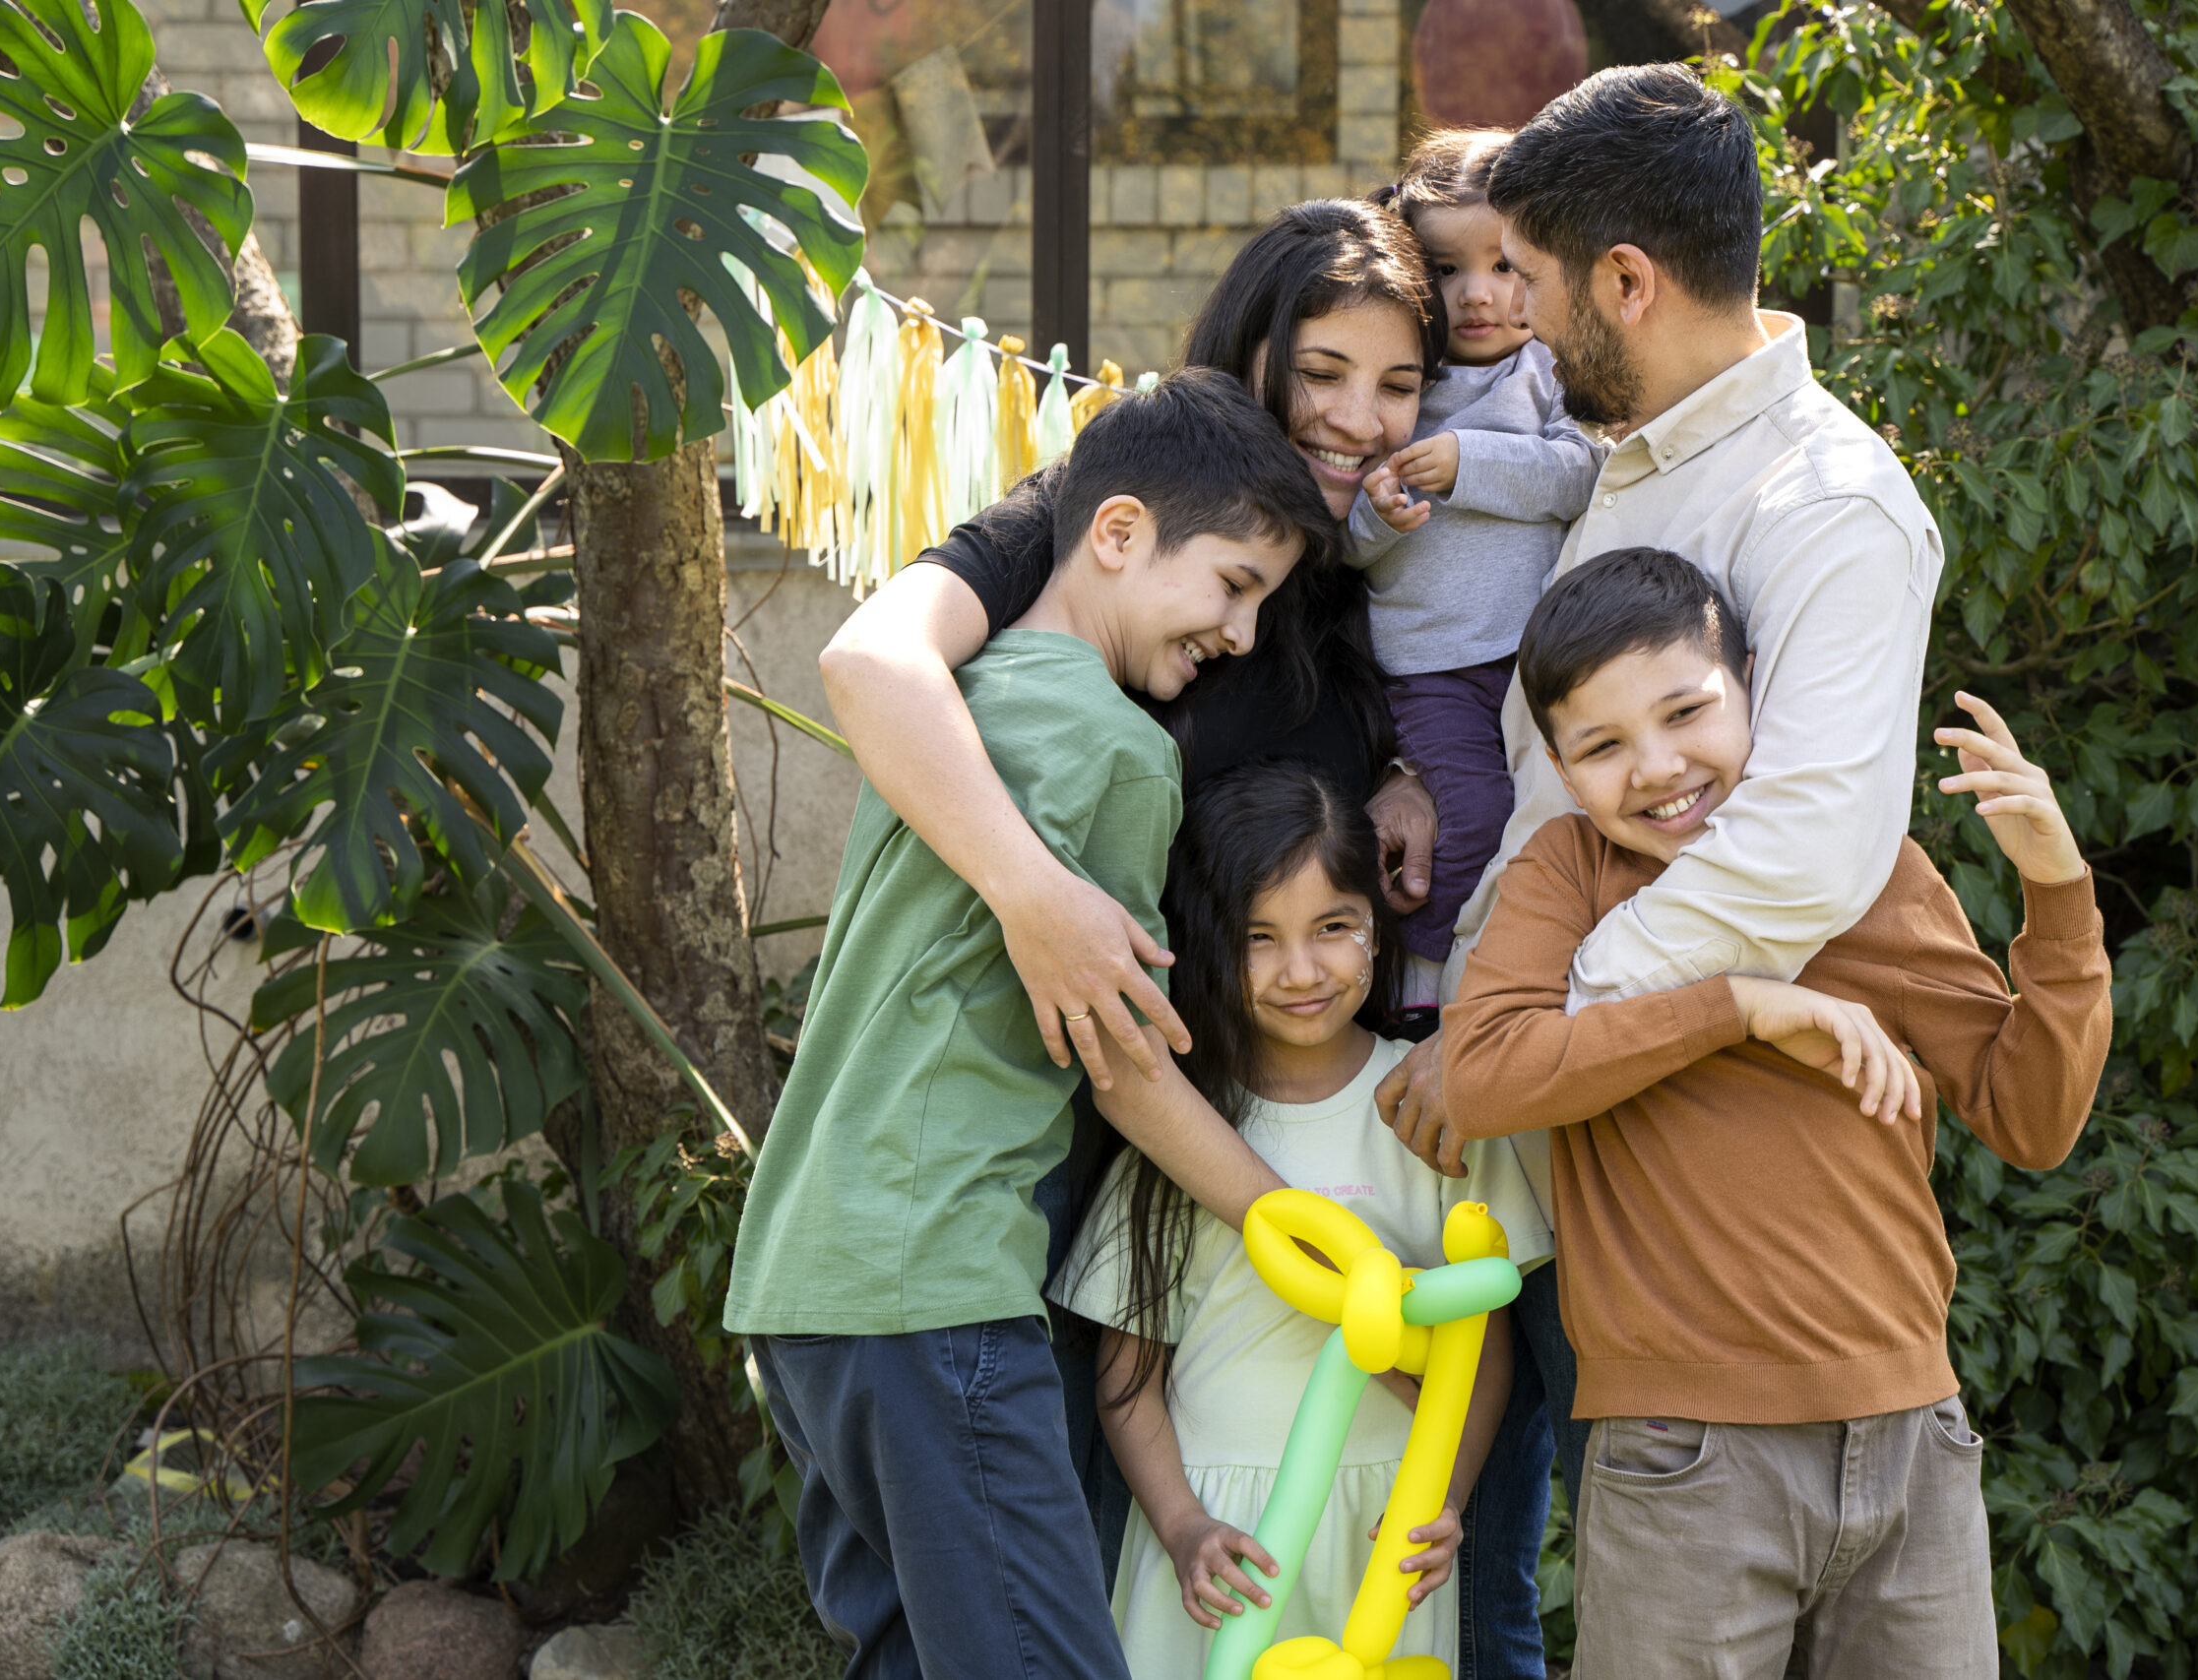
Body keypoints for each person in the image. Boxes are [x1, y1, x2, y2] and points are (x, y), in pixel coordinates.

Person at [819, 199, 1477, 1589]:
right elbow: (873, 666)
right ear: (1252, 356)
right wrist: (1031, 892)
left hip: (1306, 1131)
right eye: (1323, 372)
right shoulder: (1091, 524)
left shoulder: (1341, 578)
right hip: (1087, 1147)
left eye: (1399, 382)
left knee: (1410, 1557)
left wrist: (1400, 768)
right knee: (1081, 1567)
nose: (1360, 417)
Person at [1369, 68, 1948, 1584]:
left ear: (1626, 280)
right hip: (1537, 1134)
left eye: (1543, 287)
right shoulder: (1638, 468)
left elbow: (1810, 850)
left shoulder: (1827, 502)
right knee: (1476, 1566)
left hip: (1686, 1189)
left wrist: (1521, 1029)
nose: (1522, 326)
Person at [723, 369, 1343, 1680]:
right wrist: (1285, 1216)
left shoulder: (958, 701)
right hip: (935, 1271)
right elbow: (1120, 1060)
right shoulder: (1121, 747)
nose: (1239, 631)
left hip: (807, 1284)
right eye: (1233, 583)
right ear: (1116, 532)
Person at [1440, 547, 2110, 1679]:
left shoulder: (1863, 869)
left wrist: (2058, 893)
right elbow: (1487, 1076)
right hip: (1682, 1453)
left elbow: (2029, 1118)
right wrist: (1737, 1007)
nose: (1655, 769)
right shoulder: (1568, 871)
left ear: (1754, 688)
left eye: (1686, 713)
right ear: (1556, 767)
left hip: (1911, 1437)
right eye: (1601, 747)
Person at [1049, 762, 1553, 1680]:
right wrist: (1183, 1523)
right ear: (1210, 942)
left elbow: (1489, 1348)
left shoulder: (1429, 1104)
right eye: (1259, 937)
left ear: (1378, 923)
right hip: (1224, 1546)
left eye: (1333, 927)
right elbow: (1129, 1371)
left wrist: (1442, 1496)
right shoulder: (1186, 1128)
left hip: (1382, 1542)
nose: (1302, 971)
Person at [1353, 128, 1602, 982]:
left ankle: (1515, 985)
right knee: (1472, 811)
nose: (1476, 295)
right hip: (1432, 668)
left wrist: (1470, 463)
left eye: (1503, 266)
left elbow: (1582, 473)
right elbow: (1346, 543)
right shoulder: (1399, 381)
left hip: (1534, 662)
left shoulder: (1548, 373)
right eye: (1445, 270)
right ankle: (1430, 992)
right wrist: (1380, 517)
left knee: (1551, 823)